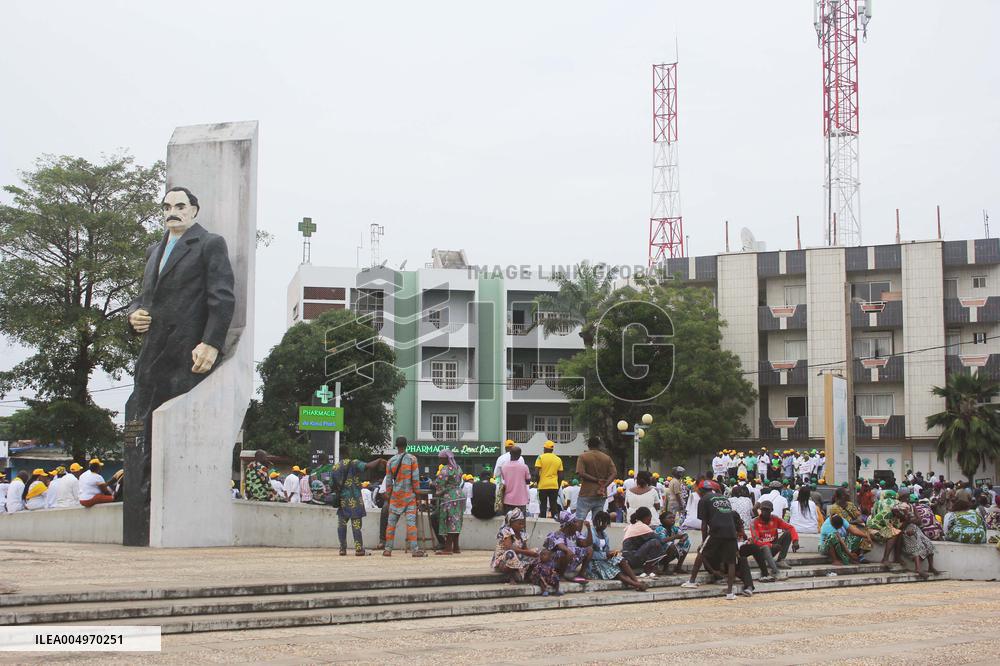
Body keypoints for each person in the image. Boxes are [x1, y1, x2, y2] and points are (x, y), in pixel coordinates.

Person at [124, 186, 236, 546]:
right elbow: (144, 297)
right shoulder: (153, 250)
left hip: (186, 355)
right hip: (151, 356)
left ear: (194, 210)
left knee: (171, 434)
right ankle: (142, 517)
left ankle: (173, 519)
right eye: (167, 206)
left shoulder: (209, 244)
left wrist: (212, 342)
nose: (172, 211)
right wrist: (134, 314)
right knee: (140, 429)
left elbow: (222, 296)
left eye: (180, 206)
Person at [682, 480, 741, 600]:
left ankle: (692, 581)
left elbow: (704, 524)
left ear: (700, 490)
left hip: (717, 530)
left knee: (701, 553)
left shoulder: (704, 500)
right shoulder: (724, 498)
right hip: (731, 531)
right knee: (731, 562)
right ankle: (730, 593)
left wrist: (704, 541)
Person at [330, 457, 386, 556]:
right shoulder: (354, 463)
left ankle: (342, 549)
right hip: (355, 500)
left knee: (341, 525)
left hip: (343, 501)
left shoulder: (335, 467)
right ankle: (359, 549)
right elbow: (368, 466)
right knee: (356, 526)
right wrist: (379, 460)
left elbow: (331, 485)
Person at [383, 436, 425, 557]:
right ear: (406, 445)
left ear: (396, 446)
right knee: (411, 524)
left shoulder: (390, 461)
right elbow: (415, 479)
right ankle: (415, 550)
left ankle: (388, 549)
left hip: (396, 497)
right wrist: (417, 495)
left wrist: (389, 495)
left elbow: (388, 482)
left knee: (391, 524)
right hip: (409, 497)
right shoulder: (412, 459)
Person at [586, 511, 646, 590]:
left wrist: (612, 553)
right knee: (615, 571)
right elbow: (589, 553)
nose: (605, 525)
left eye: (606, 523)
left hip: (604, 559)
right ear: (597, 522)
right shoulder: (590, 534)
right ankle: (637, 585)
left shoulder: (604, 535)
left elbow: (606, 551)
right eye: (603, 523)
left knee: (621, 560)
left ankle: (636, 581)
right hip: (594, 563)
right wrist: (605, 555)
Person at [745, 500, 799, 580]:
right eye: (763, 510)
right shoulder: (754, 522)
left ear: (771, 510)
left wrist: (795, 541)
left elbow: (790, 528)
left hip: (773, 547)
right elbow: (756, 541)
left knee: (788, 533)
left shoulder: (775, 519)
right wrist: (771, 545)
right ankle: (775, 571)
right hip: (761, 551)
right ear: (760, 510)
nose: (765, 512)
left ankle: (780, 560)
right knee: (765, 547)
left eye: (767, 510)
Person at [543, 510, 593, 583]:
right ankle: (561, 575)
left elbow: (587, 543)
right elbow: (561, 546)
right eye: (575, 522)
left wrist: (589, 529)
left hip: (570, 560)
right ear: (568, 525)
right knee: (566, 552)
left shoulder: (575, 534)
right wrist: (570, 550)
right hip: (556, 565)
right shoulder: (557, 534)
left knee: (589, 550)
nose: (577, 524)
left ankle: (581, 573)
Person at [575, 436, 616, 522]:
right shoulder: (607, 458)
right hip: (601, 494)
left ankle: (578, 532)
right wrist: (604, 485)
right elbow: (614, 473)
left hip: (586, 492)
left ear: (588, 445)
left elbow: (581, 473)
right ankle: (596, 531)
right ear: (599, 445)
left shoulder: (583, 457)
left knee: (579, 519)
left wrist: (595, 480)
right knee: (597, 520)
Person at [491, 508, 538, 583]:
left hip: (518, 557)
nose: (522, 526)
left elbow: (525, 549)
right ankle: (511, 575)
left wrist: (532, 553)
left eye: (523, 523)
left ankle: (526, 574)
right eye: (519, 523)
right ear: (511, 523)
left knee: (537, 551)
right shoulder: (506, 531)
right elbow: (509, 547)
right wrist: (527, 552)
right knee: (511, 553)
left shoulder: (522, 534)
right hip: (503, 559)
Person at [434, 449, 465, 555]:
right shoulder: (458, 468)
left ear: (446, 458)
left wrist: (435, 487)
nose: (439, 460)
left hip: (450, 497)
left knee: (449, 521)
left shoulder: (445, 469)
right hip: (459, 496)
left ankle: (448, 548)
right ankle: (456, 547)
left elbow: (439, 484)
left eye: (440, 458)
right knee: (456, 521)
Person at [827, 487, 874, 555]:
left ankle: (860, 554)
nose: (849, 494)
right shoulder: (834, 508)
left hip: (854, 526)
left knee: (867, 533)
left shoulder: (850, 505)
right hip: (844, 529)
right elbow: (841, 523)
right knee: (858, 534)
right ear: (842, 496)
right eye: (847, 493)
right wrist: (855, 521)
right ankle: (854, 554)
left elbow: (859, 516)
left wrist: (857, 520)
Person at [867, 489, 904, 563]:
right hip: (873, 530)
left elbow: (873, 515)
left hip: (876, 528)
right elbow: (893, 527)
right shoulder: (889, 512)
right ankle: (886, 558)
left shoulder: (878, 502)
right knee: (894, 534)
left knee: (897, 532)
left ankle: (896, 558)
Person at [534, 440, 563, 518]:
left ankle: (542, 521)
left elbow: (536, 473)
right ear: (552, 449)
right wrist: (558, 486)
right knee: (553, 505)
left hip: (543, 485)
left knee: (543, 505)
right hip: (554, 485)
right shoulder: (558, 459)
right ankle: (555, 521)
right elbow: (560, 476)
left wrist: (538, 483)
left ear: (545, 448)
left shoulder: (540, 457)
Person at [500, 446, 531, 513]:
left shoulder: (504, 467)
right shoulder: (524, 467)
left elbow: (504, 479)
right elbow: (528, 481)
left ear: (510, 453)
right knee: (520, 519)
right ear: (519, 455)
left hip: (507, 499)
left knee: (508, 518)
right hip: (521, 500)